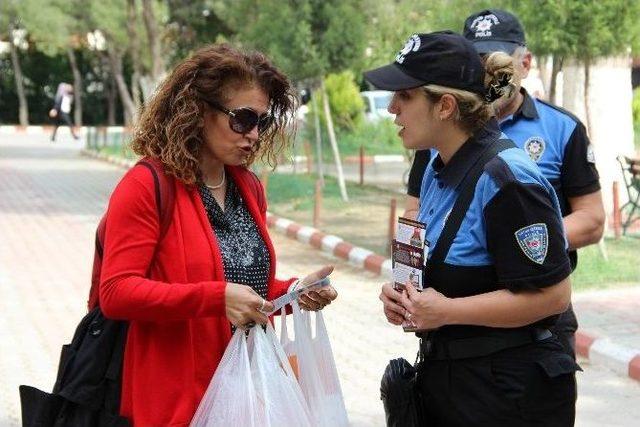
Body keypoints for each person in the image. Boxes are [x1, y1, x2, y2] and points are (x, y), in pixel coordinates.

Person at [99, 44, 337, 426]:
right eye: (242, 119)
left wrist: (292, 291)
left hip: (247, 393)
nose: (254, 134)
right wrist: (215, 298)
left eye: (262, 121)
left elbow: (238, 281)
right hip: (178, 400)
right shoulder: (147, 185)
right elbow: (117, 292)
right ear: (197, 111)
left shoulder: (248, 186)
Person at [369, 31, 580, 425]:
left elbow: (553, 296)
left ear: (445, 106)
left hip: (507, 394)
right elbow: (426, 258)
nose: (392, 108)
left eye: (405, 95)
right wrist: (403, 297)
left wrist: (446, 311)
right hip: (452, 383)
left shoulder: (507, 178)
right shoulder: (436, 166)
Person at [404, 9, 605, 357]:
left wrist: (508, 237)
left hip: (527, 316)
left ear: (524, 62)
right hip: (452, 336)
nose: (484, 70)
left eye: (492, 58)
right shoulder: (440, 136)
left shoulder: (561, 128)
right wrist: (406, 280)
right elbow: (418, 213)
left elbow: (592, 219)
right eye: (475, 58)